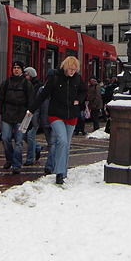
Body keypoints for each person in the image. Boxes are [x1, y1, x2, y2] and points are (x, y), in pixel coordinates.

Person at [30, 56, 87, 185]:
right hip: (56, 114)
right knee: (62, 140)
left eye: (74, 69)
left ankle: (63, 171)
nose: (72, 72)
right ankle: (59, 173)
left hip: (72, 115)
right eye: (70, 69)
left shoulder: (77, 79)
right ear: (65, 67)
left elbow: (84, 91)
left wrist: (79, 99)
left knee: (66, 144)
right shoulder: (55, 77)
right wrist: (32, 110)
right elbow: (43, 95)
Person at [0, 61, 35, 174]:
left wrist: (29, 118)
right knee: (5, 139)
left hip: (21, 117)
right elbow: (0, 99)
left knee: (18, 142)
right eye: (14, 67)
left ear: (22, 70)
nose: (16, 70)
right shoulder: (6, 83)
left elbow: (31, 102)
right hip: (7, 115)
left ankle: (16, 164)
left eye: (18, 68)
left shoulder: (27, 85)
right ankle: (10, 159)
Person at [23, 67, 43, 166]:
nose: (25, 76)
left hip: (35, 114)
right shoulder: (25, 84)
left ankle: (29, 159)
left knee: (30, 136)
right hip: (27, 114)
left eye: (27, 74)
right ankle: (37, 147)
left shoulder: (39, 86)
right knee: (23, 135)